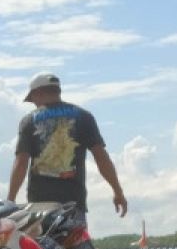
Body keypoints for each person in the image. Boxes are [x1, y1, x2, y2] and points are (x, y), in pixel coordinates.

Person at [8, 73, 127, 221]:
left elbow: (21, 163)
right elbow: (101, 157)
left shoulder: (29, 121)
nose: (34, 104)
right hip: (74, 204)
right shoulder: (83, 116)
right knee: (76, 243)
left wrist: (10, 202)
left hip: (40, 207)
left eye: (33, 100)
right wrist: (117, 191)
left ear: (37, 93)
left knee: (42, 244)